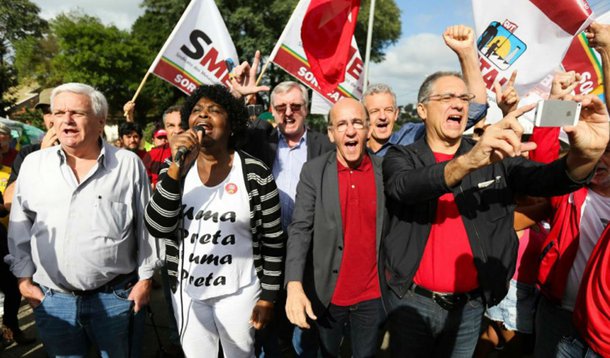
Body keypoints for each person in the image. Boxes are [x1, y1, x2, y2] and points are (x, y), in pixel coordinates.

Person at [381, 71, 609, 357]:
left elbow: (547, 178)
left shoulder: (494, 156)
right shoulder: (403, 156)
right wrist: (468, 163)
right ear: (423, 110)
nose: (459, 104)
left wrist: (583, 157)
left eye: (464, 98)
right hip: (413, 303)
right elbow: (404, 187)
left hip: (470, 308)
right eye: (447, 97)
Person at [5, 82, 159, 357]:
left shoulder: (127, 165)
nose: (66, 120)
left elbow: (146, 228)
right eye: (59, 112)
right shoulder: (33, 165)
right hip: (52, 301)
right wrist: (24, 282)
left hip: (117, 298)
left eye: (76, 112)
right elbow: (20, 227)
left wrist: (146, 279)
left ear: (100, 121)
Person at [144, 84, 285, 358]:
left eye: (215, 110)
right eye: (196, 111)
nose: (203, 116)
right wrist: (176, 170)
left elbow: (272, 240)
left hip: (239, 290)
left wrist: (268, 296)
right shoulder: (175, 169)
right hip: (187, 291)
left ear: (231, 125)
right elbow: (158, 226)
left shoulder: (255, 174)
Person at [532, 23, 610, 358]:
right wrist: (557, 102)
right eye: (596, 152)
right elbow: (541, 163)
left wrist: (606, 51)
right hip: (556, 313)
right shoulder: (571, 192)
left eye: (608, 151)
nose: (600, 159)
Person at [285, 98, 385, 357]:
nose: (350, 131)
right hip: (327, 294)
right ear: (331, 133)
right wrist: (294, 284)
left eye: (356, 123)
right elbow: (300, 229)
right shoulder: (313, 172)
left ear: (367, 130)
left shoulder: (386, 171)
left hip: (373, 297)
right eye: (341, 125)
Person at [364, 25, 489, 157]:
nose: (382, 116)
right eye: (374, 111)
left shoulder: (412, 136)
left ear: (396, 114)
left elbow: (477, 108)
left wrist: (466, 54)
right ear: (364, 117)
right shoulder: (351, 150)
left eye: (388, 110)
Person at [142, 105, 184, 188]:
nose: (177, 131)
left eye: (182, 124)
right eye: (171, 125)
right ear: (165, 129)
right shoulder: (152, 155)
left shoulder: (203, 154)